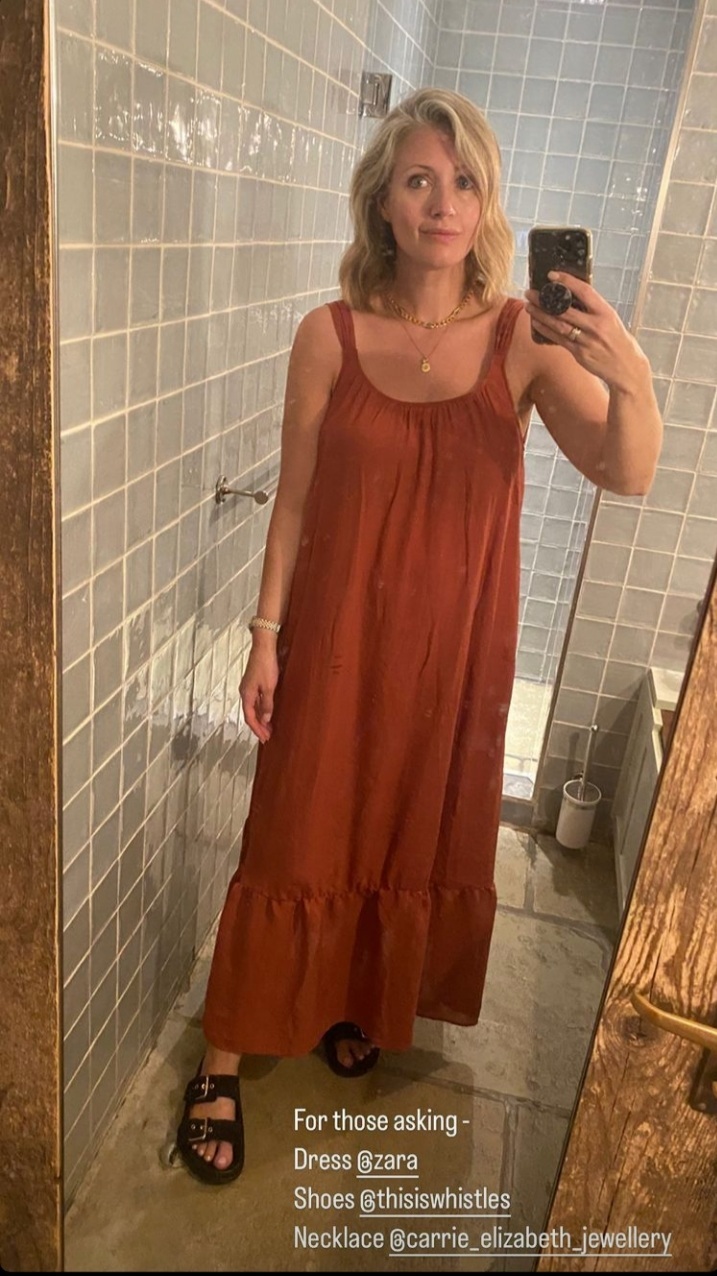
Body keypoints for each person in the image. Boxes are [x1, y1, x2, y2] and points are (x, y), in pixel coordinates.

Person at [174, 88, 663, 1184]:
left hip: (454, 661)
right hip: (335, 643)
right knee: (293, 828)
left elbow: (626, 471)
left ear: (485, 208)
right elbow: (294, 500)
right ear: (384, 204)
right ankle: (223, 1054)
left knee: (405, 825)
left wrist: (624, 367)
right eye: (420, 180)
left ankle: (361, 995)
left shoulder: (523, 340)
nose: (444, 202)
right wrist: (264, 636)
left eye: (465, 182)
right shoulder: (329, 335)